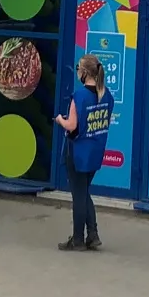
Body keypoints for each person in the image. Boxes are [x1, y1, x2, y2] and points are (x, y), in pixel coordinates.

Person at [53, 54, 113, 252]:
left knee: (79, 195)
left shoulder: (79, 96)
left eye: (79, 68)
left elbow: (72, 125)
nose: (77, 71)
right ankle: (93, 235)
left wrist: (60, 120)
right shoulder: (106, 95)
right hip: (95, 150)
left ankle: (78, 239)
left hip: (78, 152)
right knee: (84, 192)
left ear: (85, 72)